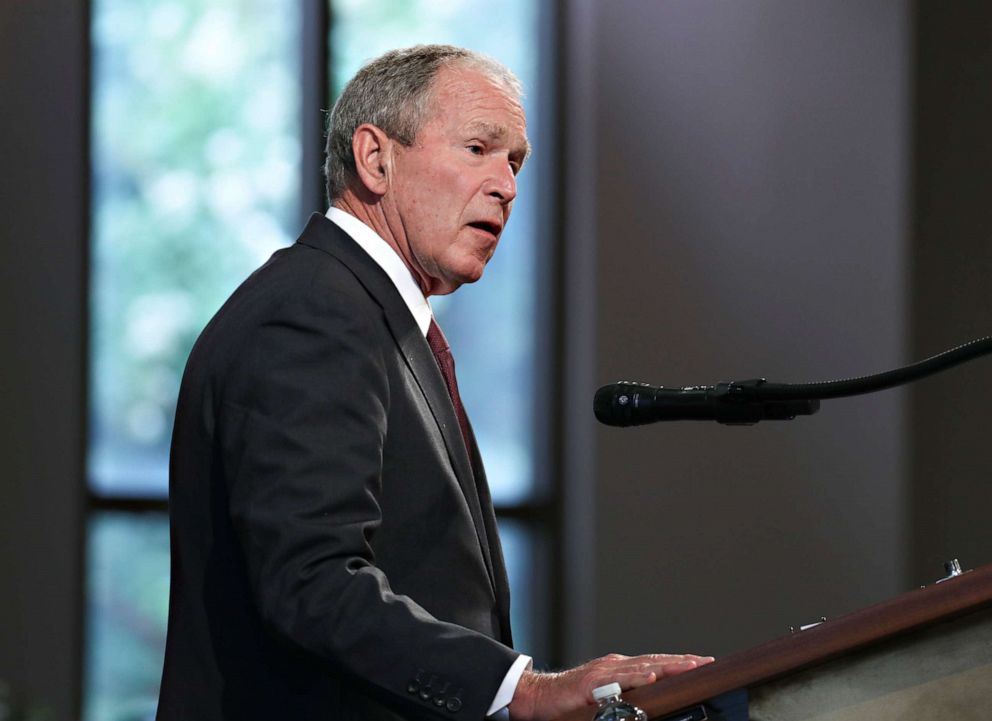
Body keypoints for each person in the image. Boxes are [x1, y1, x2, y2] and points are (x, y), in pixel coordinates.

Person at [157, 44, 711, 721]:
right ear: (375, 158)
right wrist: (521, 690)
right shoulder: (313, 312)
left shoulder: (367, 316)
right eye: (479, 148)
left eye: (516, 162)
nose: (506, 184)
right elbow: (312, 581)